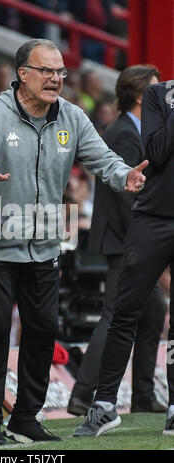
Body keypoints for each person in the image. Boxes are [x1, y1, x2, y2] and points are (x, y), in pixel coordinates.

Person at [0, 38, 148, 446]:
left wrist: (124, 175)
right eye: (47, 71)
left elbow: (102, 158)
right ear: (22, 74)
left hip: (41, 237)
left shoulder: (73, 117)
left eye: (60, 72)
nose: (56, 79)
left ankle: (26, 418)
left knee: (43, 328)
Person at [73, 78, 174, 437]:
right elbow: (157, 150)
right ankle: (103, 405)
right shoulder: (158, 94)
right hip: (152, 218)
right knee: (123, 310)